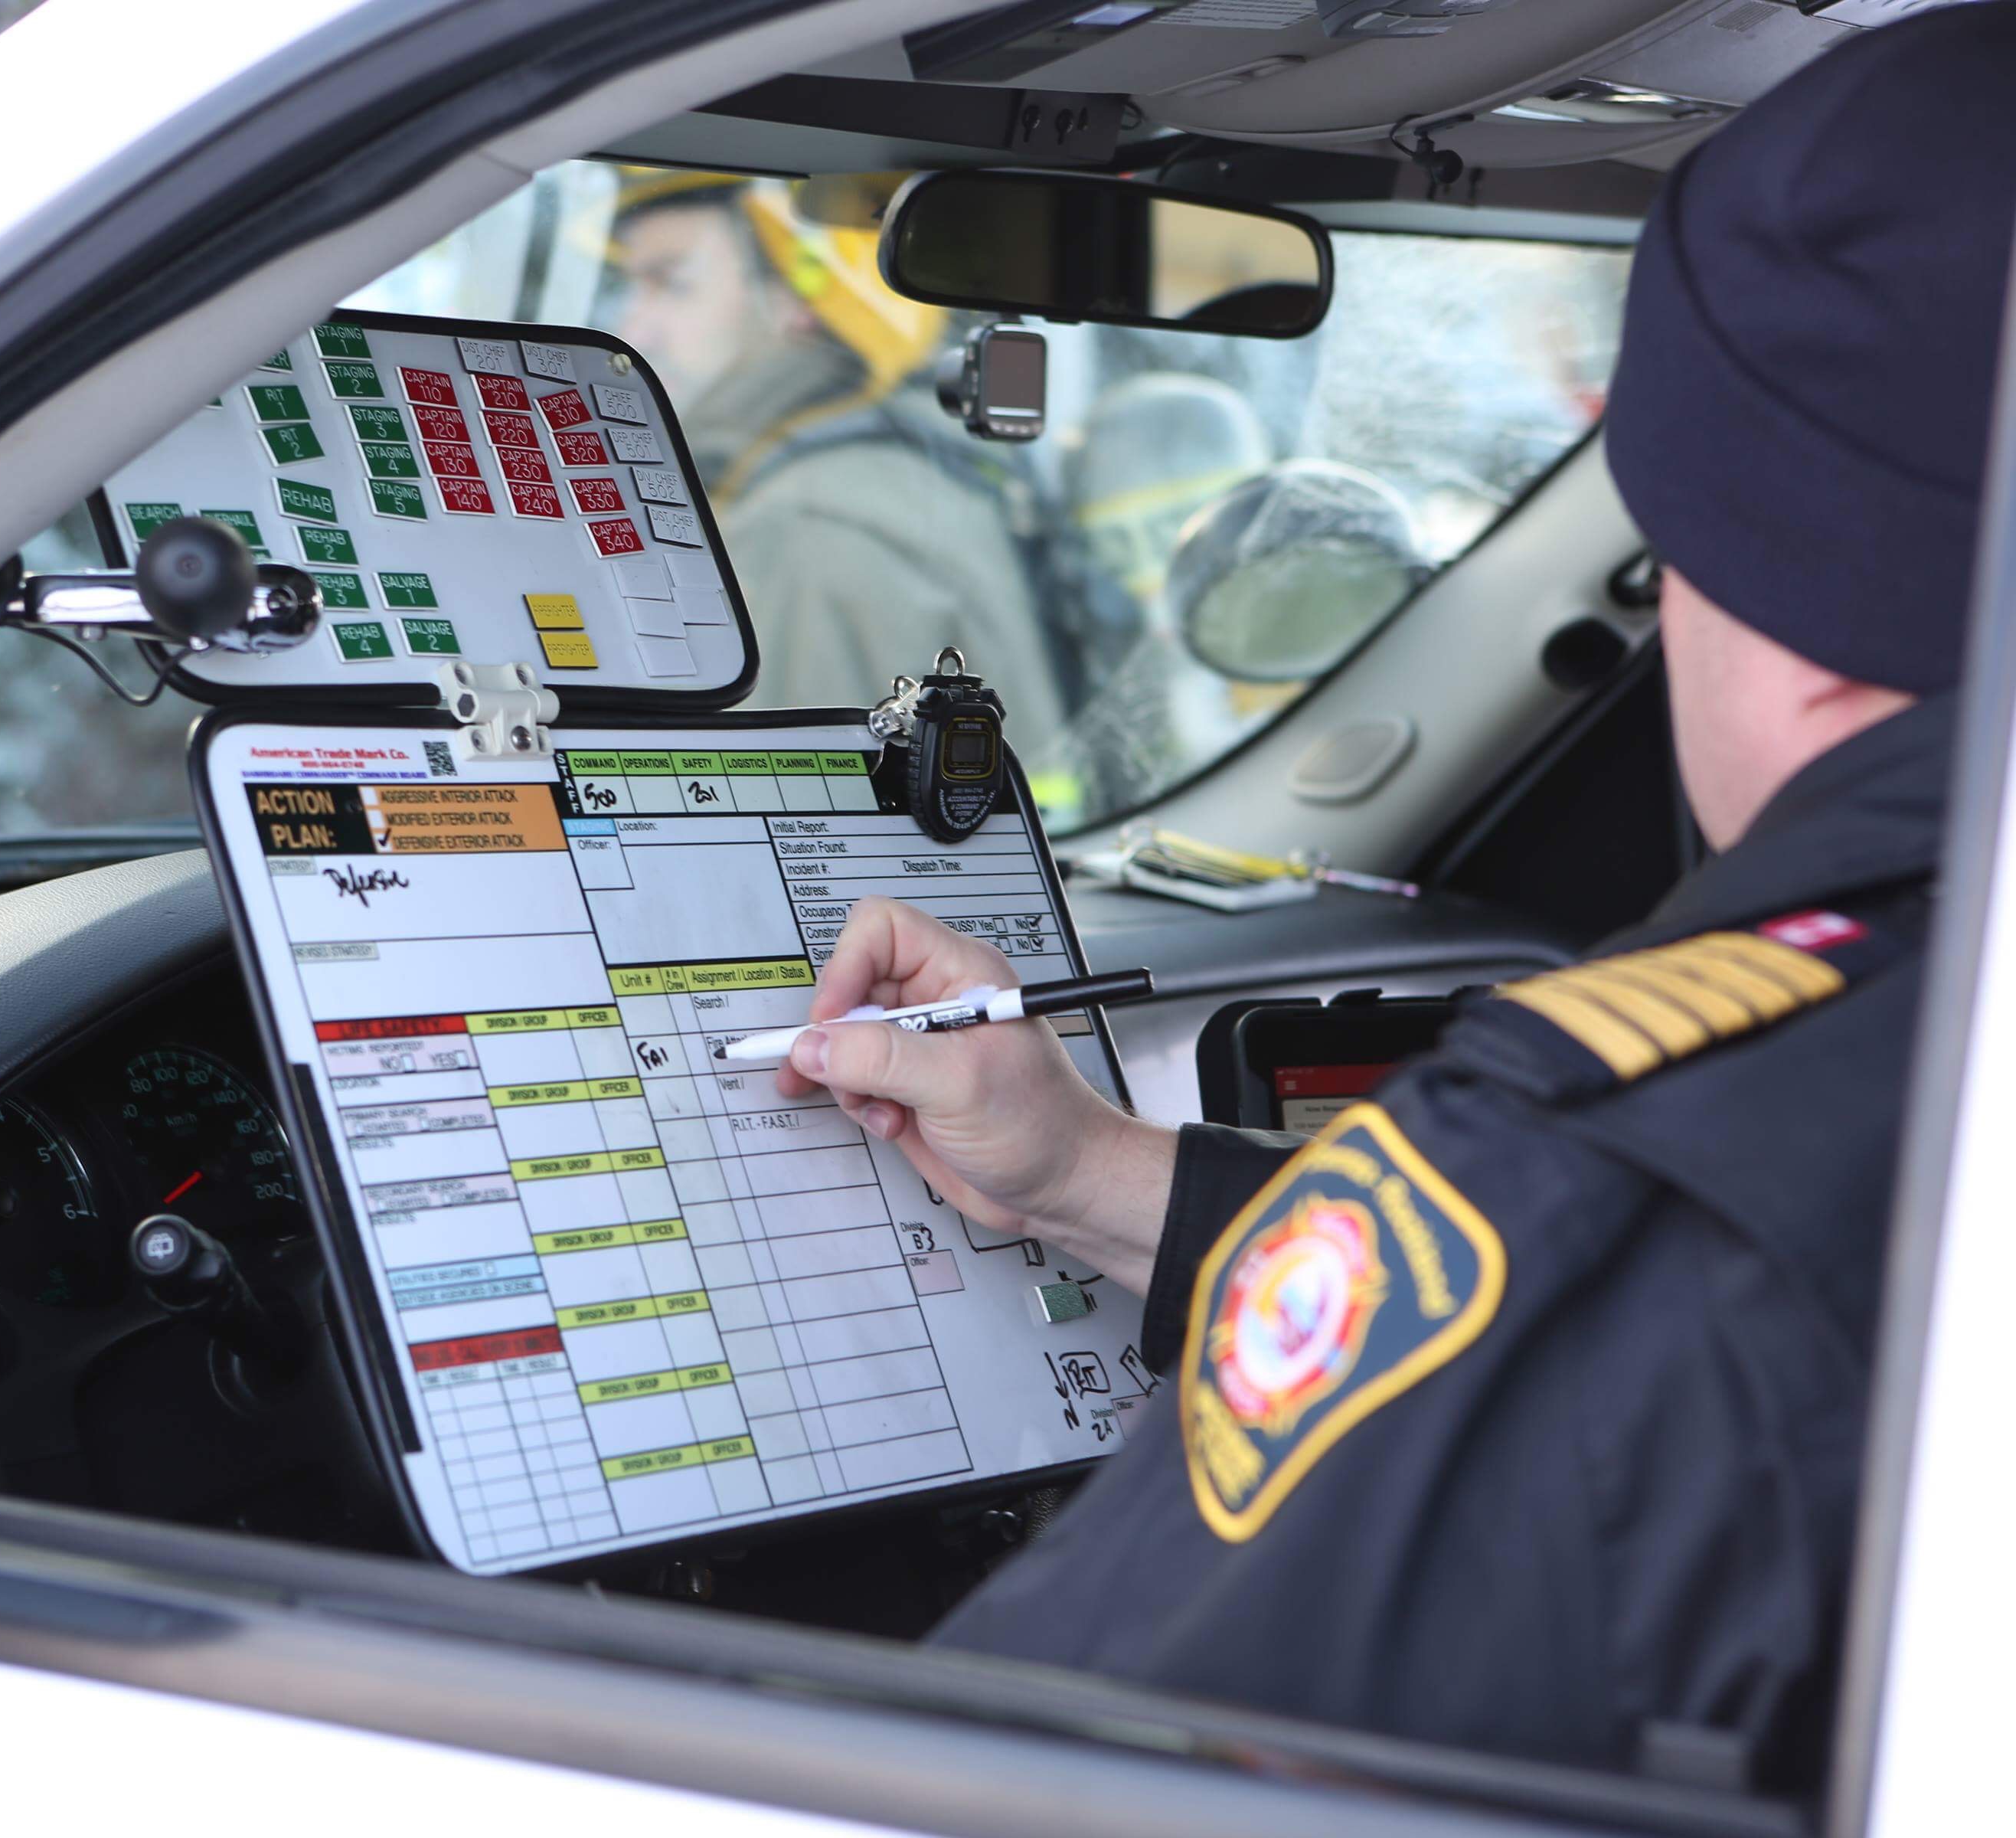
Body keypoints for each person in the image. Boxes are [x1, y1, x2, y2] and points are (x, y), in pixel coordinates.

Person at [775, 5, 2016, 1788]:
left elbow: (1000, 1776)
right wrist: (1086, 1174)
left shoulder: (1635, 1185)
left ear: (1810, 595)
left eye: (1673, 561)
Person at [605, 172, 1066, 740]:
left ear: (798, 295)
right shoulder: (898, 470)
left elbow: (787, 820)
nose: (633, 328)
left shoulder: (798, 530)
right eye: (630, 287)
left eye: (671, 284)